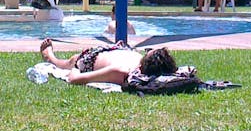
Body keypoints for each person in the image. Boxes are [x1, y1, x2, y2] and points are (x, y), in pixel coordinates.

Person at [39, 38, 177, 86]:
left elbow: (74, 79)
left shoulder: (121, 71)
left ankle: (50, 58)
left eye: (148, 52)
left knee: (71, 61)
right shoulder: (156, 68)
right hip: (116, 49)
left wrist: (75, 67)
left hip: (90, 59)